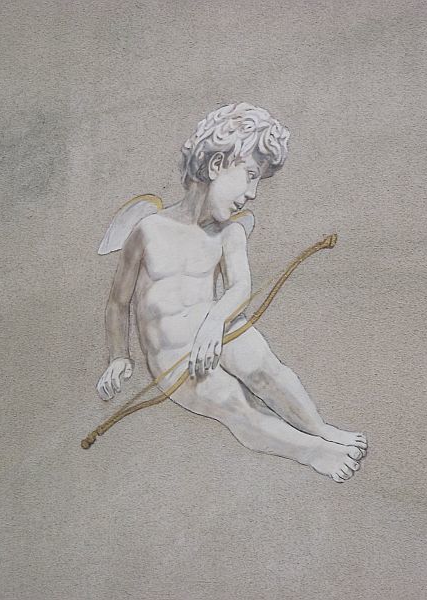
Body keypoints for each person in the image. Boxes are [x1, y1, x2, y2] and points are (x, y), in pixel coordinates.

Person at [96, 103, 366, 482]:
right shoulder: (149, 230)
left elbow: (240, 286)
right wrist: (118, 357)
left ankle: (319, 428)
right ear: (217, 165)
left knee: (266, 367)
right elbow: (118, 301)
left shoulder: (229, 233)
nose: (252, 193)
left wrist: (214, 322)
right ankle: (313, 451)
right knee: (234, 405)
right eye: (250, 176)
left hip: (218, 330)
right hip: (175, 357)